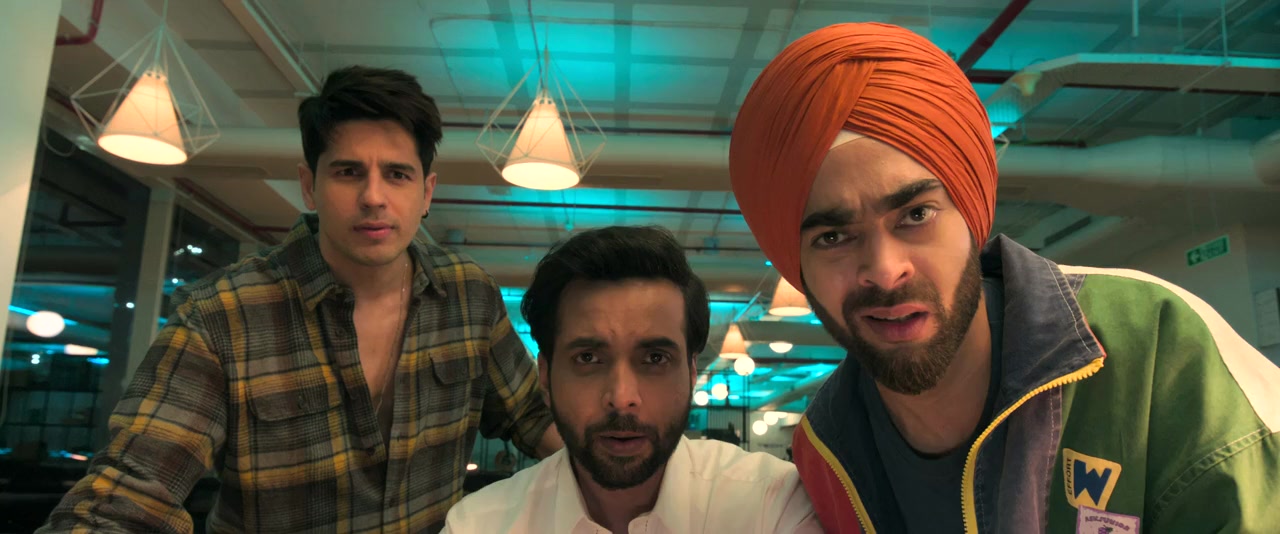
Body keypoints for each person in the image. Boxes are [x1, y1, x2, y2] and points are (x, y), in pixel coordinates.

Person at [729, 22, 1280, 534]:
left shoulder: (1157, 349)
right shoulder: (824, 450)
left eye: (916, 215)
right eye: (832, 237)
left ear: (972, 215)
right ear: (796, 264)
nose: (885, 270)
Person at [41, 66, 561, 533]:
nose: (373, 197)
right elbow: (130, 494)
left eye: (397, 174)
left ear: (425, 193)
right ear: (309, 186)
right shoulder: (222, 316)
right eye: (348, 172)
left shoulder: (467, 296)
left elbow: (534, 419)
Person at [441, 226, 820, 533]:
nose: (622, 398)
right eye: (588, 358)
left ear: (691, 372)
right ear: (545, 375)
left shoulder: (771, 507)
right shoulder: (479, 524)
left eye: (655, 358)